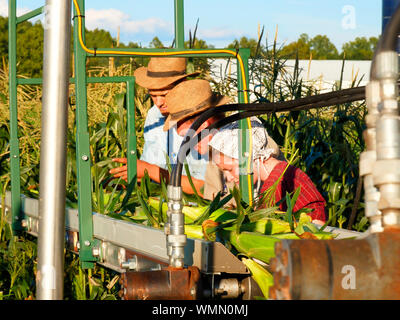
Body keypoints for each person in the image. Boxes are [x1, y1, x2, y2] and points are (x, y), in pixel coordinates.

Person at [162, 79, 285, 199]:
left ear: (203, 125)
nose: (188, 144)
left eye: (187, 137)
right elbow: (214, 201)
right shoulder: (214, 158)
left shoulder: (252, 140)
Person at [109, 57, 207, 187]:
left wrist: (150, 171)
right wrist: (131, 174)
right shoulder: (154, 115)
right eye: (153, 96)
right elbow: (149, 164)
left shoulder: (203, 119)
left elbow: (205, 187)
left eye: (164, 94)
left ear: (182, 85)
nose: (159, 103)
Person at [208, 119, 327, 225]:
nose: (228, 178)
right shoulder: (279, 175)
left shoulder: (281, 181)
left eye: (229, 169)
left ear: (249, 157)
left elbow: (316, 222)